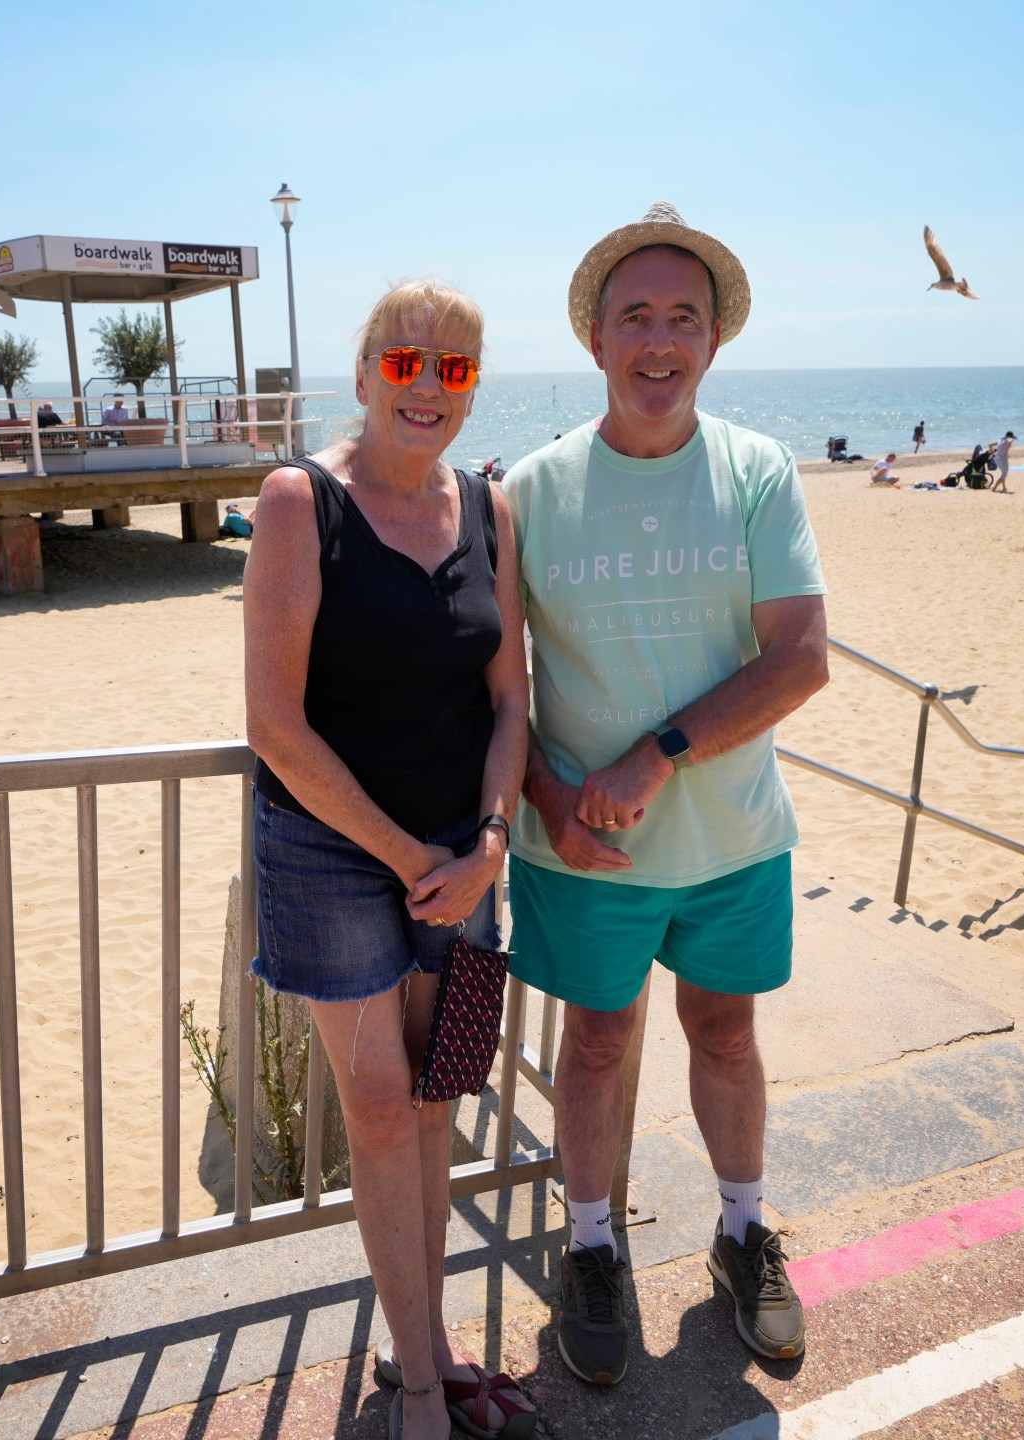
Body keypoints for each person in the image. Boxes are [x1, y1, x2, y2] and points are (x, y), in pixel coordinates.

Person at [506, 203, 827, 1387]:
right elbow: (497, 684)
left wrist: (657, 754)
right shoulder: (530, 491)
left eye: (682, 317)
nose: (658, 339)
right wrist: (548, 799)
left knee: (726, 1033)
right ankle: (592, 1249)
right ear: (594, 339)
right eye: (634, 315)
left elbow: (800, 658)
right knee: (596, 1044)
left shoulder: (756, 471)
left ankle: (742, 1231)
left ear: (713, 340)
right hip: (584, 851)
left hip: (734, 835)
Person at [244, 280, 537, 1440]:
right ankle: (419, 1386)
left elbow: (509, 698)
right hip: (332, 854)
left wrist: (489, 843)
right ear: (365, 372)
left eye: (453, 369)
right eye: (405, 364)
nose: (427, 387)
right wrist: (411, 854)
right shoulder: (297, 502)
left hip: (460, 856)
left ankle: (432, 1344)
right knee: (377, 1108)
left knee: (433, 1103)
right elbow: (275, 725)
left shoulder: (490, 509)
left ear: (471, 390)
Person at [993, 430, 1016, 494]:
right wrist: (1005, 451)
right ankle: (994, 488)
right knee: (1004, 475)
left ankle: (1004, 487)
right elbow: (1010, 441)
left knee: (1003, 473)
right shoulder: (1009, 439)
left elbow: (990, 445)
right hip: (1003, 459)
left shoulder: (1000, 440)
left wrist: (992, 453)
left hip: (996, 458)